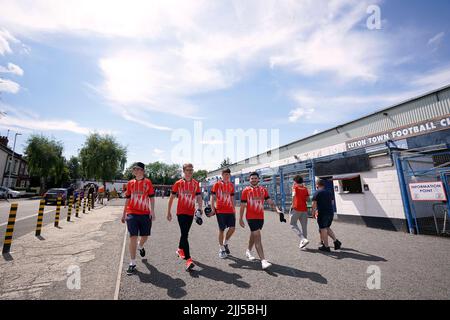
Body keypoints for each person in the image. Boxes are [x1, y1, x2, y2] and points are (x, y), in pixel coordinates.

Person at [239, 172, 285, 270]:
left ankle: (248, 250)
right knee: (257, 236)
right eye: (252, 178)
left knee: (253, 234)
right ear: (249, 180)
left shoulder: (263, 190)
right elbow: (242, 206)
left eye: (255, 178)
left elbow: (270, 202)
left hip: (260, 217)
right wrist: (240, 218)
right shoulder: (245, 191)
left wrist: (277, 210)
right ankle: (263, 260)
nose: (254, 180)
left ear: (258, 179)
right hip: (251, 217)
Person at [121, 162, 156, 275]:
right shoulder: (130, 183)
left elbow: (151, 198)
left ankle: (140, 246)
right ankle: (132, 263)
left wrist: (152, 211)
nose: (135, 171)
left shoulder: (148, 182)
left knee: (144, 236)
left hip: (145, 213)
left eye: (137, 169)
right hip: (132, 213)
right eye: (134, 169)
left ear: (143, 171)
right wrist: (124, 213)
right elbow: (127, 199)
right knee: (133, 237)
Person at [167, 163, 203, 271]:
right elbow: (172, 197)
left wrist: (200, 208)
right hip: (181, 213)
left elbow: (199, 196)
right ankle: (188, 260)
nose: (190, 172)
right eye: (188, 170)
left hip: (191, 213)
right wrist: (168, 211)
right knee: (184, 234)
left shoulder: (196, 183)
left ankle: (179, 249)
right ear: (184, 171)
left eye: (191, 170)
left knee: (185, 233)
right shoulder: (178, 183)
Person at [211, 168, 236, 259]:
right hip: (220, 210)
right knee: (222, 230)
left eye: (228, 174)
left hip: (230, 210)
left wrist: (234, 208)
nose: (227, 176)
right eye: (225, 174)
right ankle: (221, 249)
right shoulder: (217, 184)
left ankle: (225, 243)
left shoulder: (231, 185)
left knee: (232, 228)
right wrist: (212, 208)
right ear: (222, 175)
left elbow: (232, 198)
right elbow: (213, 197)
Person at [312, 179, 342, 252]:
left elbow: (314, 205)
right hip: (330, 212)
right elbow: (332, 203)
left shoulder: (317, 193)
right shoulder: (329, 192)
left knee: (323, 229)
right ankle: (336, 241)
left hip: (322, 213)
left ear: (317, 185)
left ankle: (326, 246)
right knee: (327, 227)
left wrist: (313, 213)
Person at [290, 175, 310, 249]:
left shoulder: (295, 188)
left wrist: (292, 205)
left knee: (292, 224)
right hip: (304, 209)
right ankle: (304, 243)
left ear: (295, 181)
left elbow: (293, 196)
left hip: (296, 208)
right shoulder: (305, 189)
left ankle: (303, 239)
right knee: (304, 226)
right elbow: (308, 199)